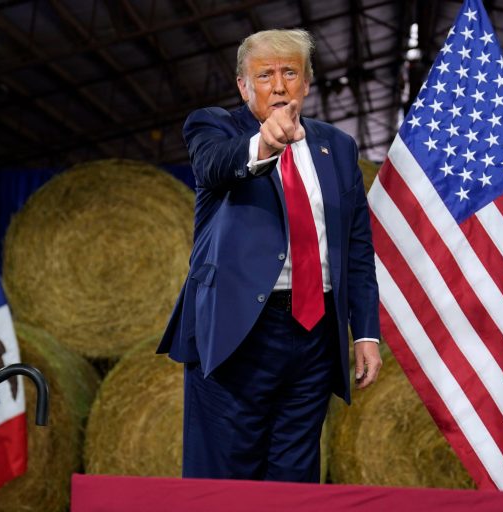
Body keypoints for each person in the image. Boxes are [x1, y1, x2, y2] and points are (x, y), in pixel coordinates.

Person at [157, 28, 382, 483]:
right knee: (223, 480)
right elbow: (214, 165)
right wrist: (264, 144)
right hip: (236, 334)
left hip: (315, 336)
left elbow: (356, 247)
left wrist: (365, 333)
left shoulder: (338, 147)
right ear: (244, 86)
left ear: (307, 82)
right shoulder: (213, 127)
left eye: (290, 73)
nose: (279, 85)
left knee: (295, 479)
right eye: (264, 75)